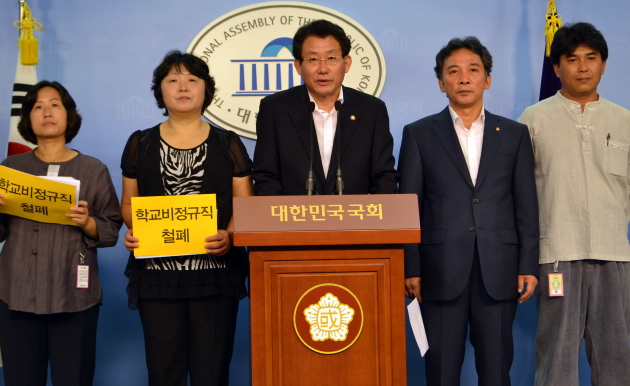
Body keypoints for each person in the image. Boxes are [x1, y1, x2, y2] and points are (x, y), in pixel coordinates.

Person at [399, 37, 539, 386]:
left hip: (499, 269)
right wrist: (411, 266)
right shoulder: (418, 134)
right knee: (441, 372)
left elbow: (526, 205)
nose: (464, 78)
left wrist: (527, 264)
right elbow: (409, 205)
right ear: (441, 83)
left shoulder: (514, 134)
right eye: (453, 71)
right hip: (439, 271)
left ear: (487, 80)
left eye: (473, 70)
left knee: (496, 372)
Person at [120, 50, 253, 386]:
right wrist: (135, 230)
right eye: (173, 80)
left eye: (192, 79)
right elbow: (129, 203)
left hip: (215, 274)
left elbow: (244, 203)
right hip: (157, 276)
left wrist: (230, 235)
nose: (183, 87)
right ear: (160, 91)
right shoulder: (140, 143)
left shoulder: (228, 143)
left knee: (212, 372)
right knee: (164, 372)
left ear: (205, 89)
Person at [518, 22, 630, 386]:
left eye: (591, 58)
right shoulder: (533, 120)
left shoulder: (625, 121)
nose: (582, 67)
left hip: (614, 255)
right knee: (557, 360)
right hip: (557, 255)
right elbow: (517, 194)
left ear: (603, 65)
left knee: (617, 359)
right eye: (572, 59)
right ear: (556, 68)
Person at [0, 81, 122, 386]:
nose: (46, 112)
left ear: (68, 115)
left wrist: (87, 222)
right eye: (37, 106)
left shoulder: (93, 169)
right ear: (28, 119)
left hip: (74, 297)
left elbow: (111, 230)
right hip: (16, 293)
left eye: (54, 105)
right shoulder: (11, 167)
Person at [252, 19, 398, 195]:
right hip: (295, 212)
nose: (323, 69)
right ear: (298, 66)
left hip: (354, 212)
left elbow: (383, 177)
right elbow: (266, 177)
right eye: (313, 59)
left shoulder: (371, 110)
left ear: (347, 63)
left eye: (331, 58)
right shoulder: (275, 109)